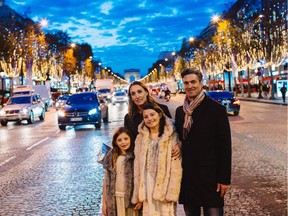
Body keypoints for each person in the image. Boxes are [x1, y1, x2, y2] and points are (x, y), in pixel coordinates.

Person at [175, 68, 232, 216]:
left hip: (211, 177)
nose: (190, 86)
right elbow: (179, 139)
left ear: (201, 83)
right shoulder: (180, 112)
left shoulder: (216, 109)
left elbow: (225, 146)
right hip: (188, 177)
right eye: (186, 83)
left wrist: (224, 179)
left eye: (193, 82)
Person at [132, 103, 182, 215]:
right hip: (147, 183)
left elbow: (176, 167)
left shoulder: (170, 135)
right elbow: (137, 166)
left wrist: (172, 191)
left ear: (159, 114)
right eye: (146, 117)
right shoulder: (140, 137)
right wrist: (138, 194)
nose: (150, 119)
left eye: (152, 114)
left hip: (164, 185)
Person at [102, 127, 141, 216]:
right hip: (114, 198)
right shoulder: (111, 157)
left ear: (131, 139)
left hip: (131, 200)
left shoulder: (135, 156)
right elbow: (106, 182)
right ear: (115, 142)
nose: (123, 142)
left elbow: (140, 179)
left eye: (126, 139)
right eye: (119, 140)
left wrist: (140, 198)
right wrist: (104, 203)